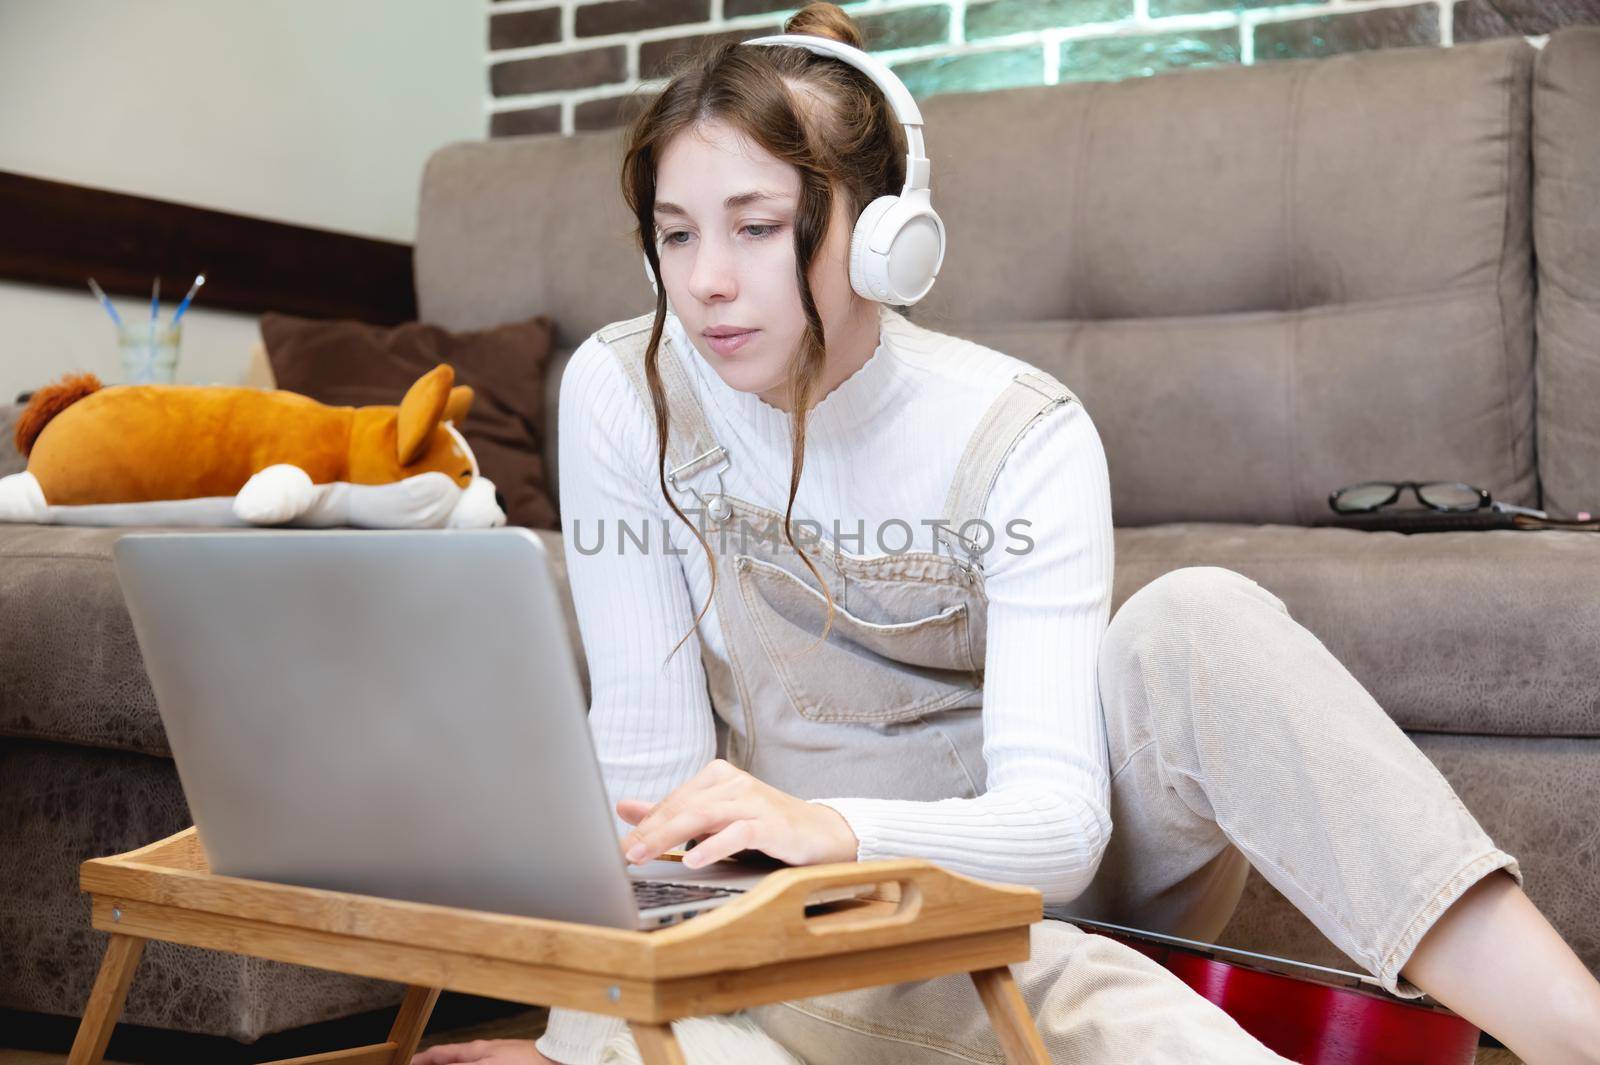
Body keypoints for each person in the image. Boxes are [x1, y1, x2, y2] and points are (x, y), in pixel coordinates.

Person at [415, 5, 1600, 1063]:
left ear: (887, 239)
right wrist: (585, 1029)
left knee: (1199, 618)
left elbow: (1062, 833)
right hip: (806, 912)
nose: (706, 283)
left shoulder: (1018, 428)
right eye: (676, 235)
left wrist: (831, 826)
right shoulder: (630, 390)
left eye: (756, 226)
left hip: (1030, 871)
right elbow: (649, 793)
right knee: (883, 1003)